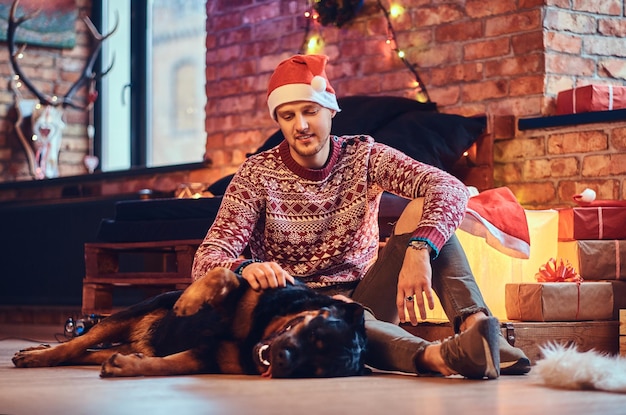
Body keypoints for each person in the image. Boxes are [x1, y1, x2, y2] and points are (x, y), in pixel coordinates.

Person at [192, 54, 530, 379]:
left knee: (422, 209)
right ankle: (441, 357)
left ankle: (479, 331)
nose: (301, 125)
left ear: (330, 110)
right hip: (298, 315)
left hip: (369, 296)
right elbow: (206, 260)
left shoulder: (363, 155)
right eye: (288, 116)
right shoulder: (256, 174)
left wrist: (420, 249)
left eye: (310, 111)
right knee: (348, 321)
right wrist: (245, 266)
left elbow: (449, 186)